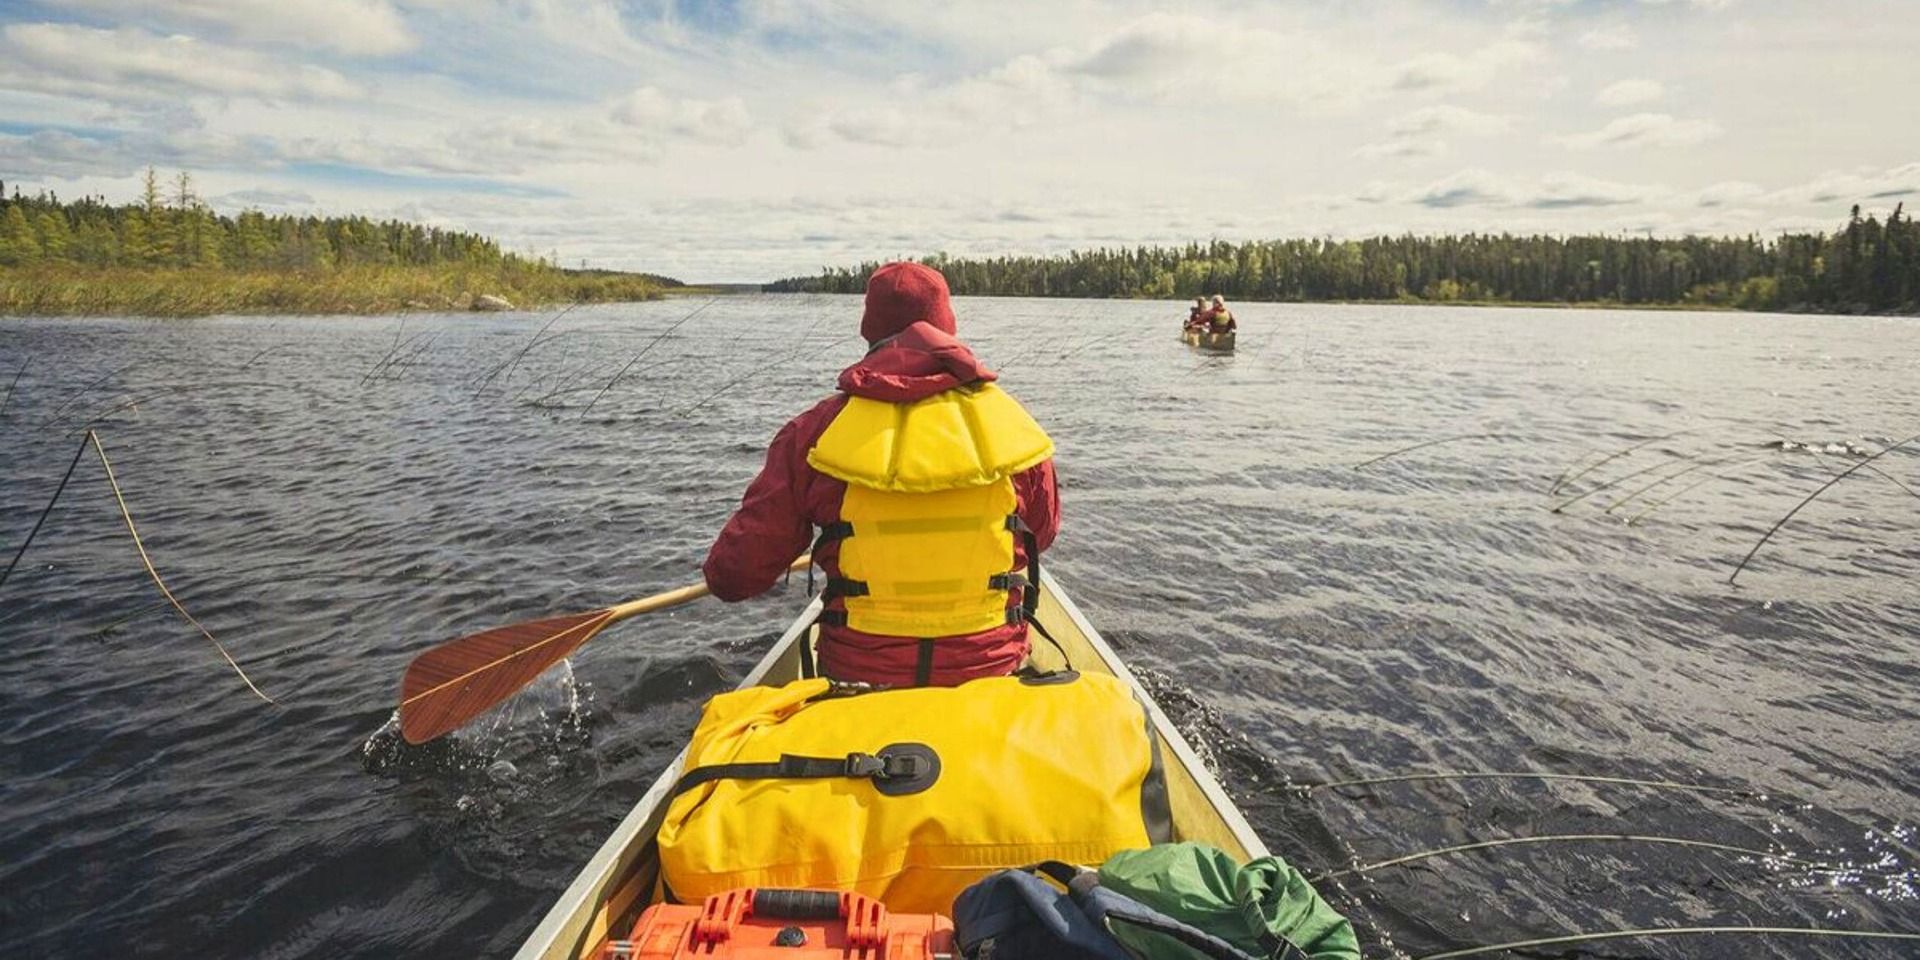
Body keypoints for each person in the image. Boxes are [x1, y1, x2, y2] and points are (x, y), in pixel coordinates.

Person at [703, 262, 1061, 687]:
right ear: (949, 327)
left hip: (860, 680)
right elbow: (1043, 532)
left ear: (868, 331)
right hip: (989, 671)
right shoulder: (1011, 428)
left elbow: (733, 576)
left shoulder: (812, 434)